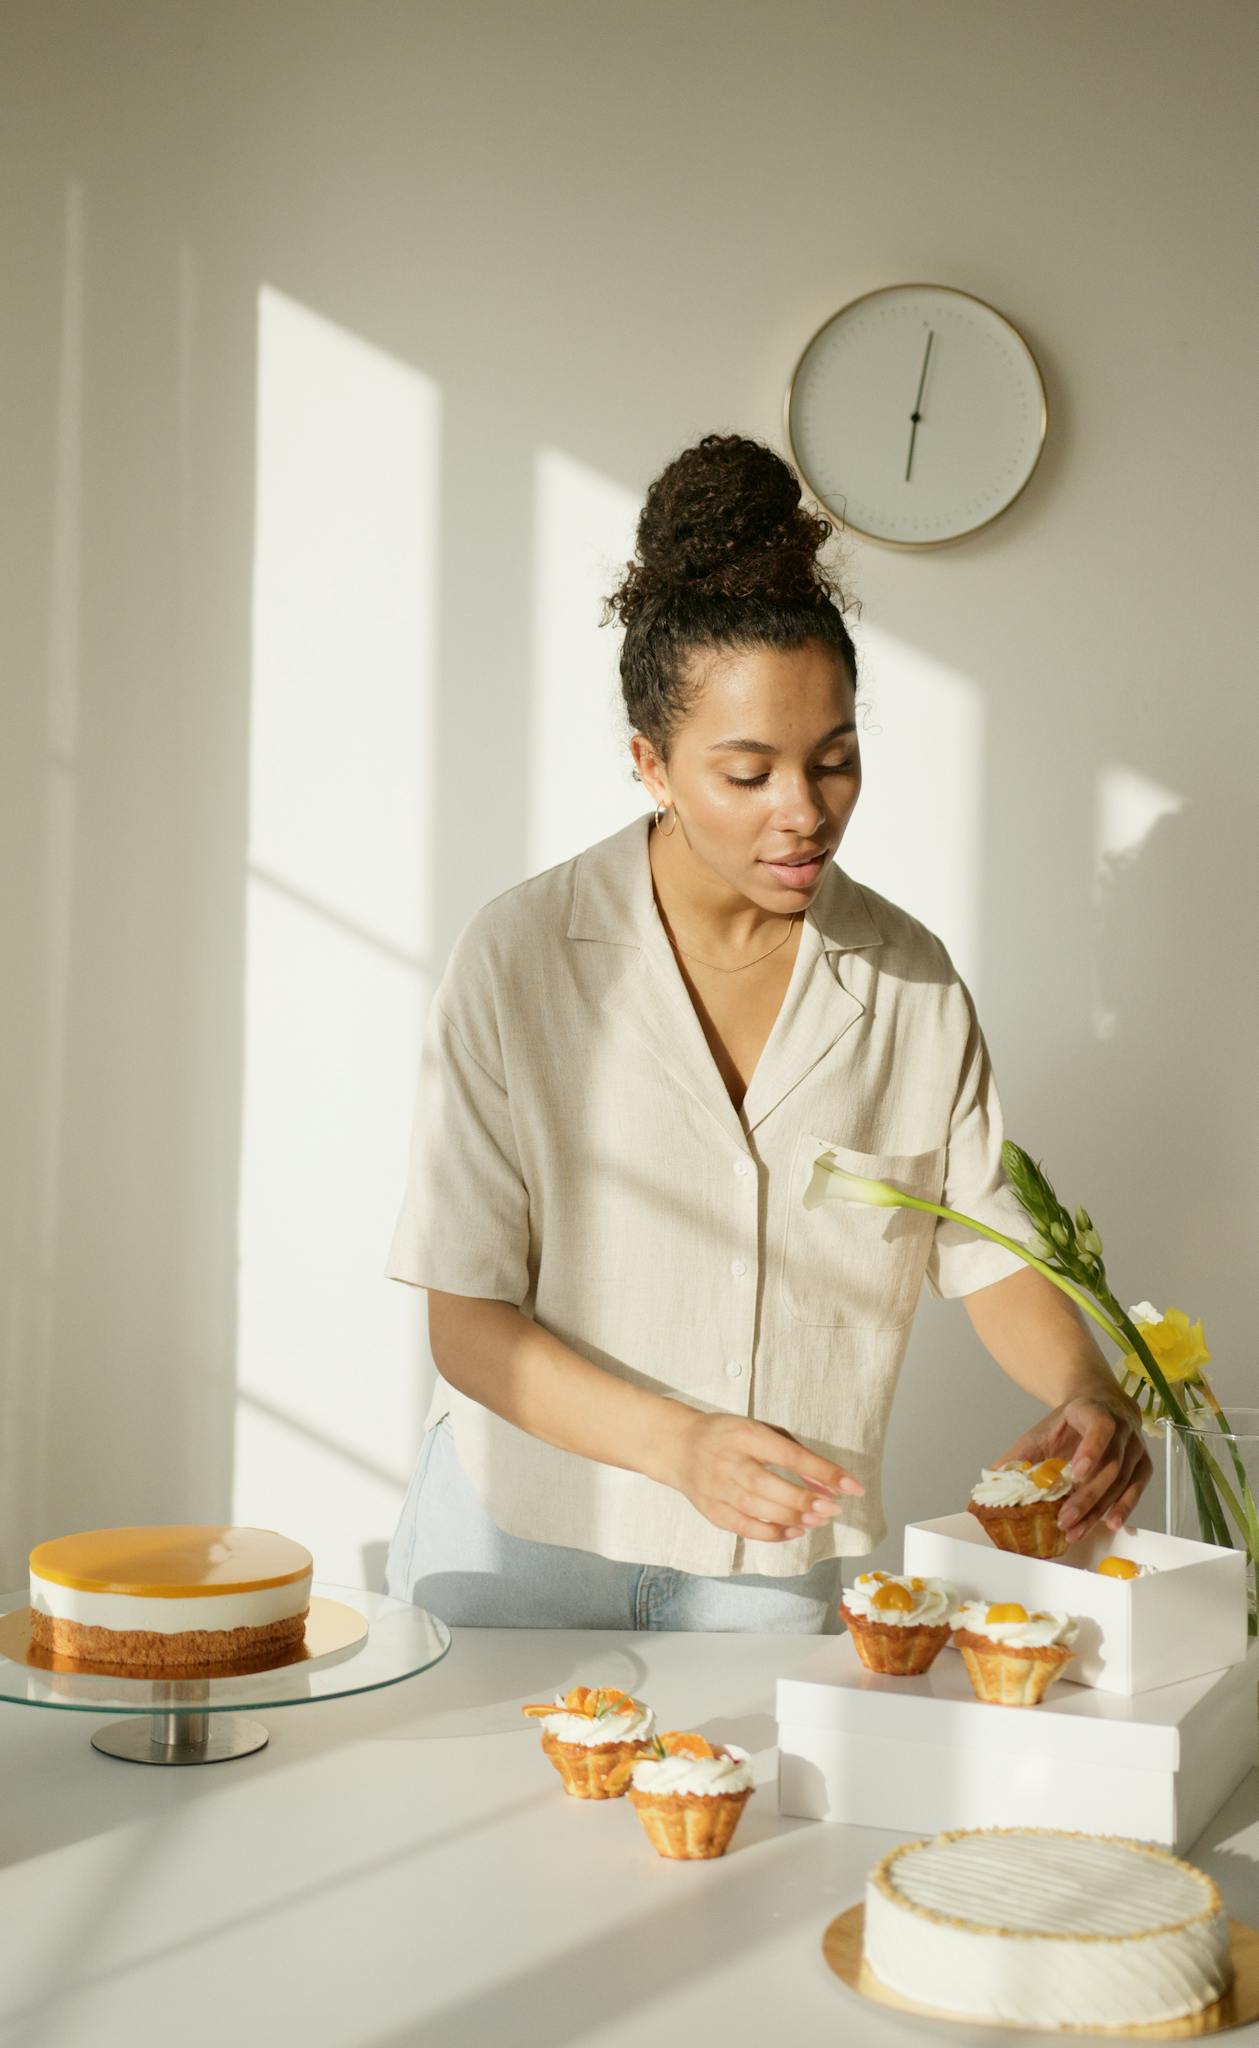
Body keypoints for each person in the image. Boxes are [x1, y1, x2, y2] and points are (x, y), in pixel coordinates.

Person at [382, 431, 1150, 1634]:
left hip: (770, 1569)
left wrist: (1084, 1385)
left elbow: (992, 1249)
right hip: (512, 1546)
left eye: (833, 762)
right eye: (746, 774)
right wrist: (677, 1443)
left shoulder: (910, 984)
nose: (803, 812)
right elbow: (466, 1323)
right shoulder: (519, 956)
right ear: (651, 763)